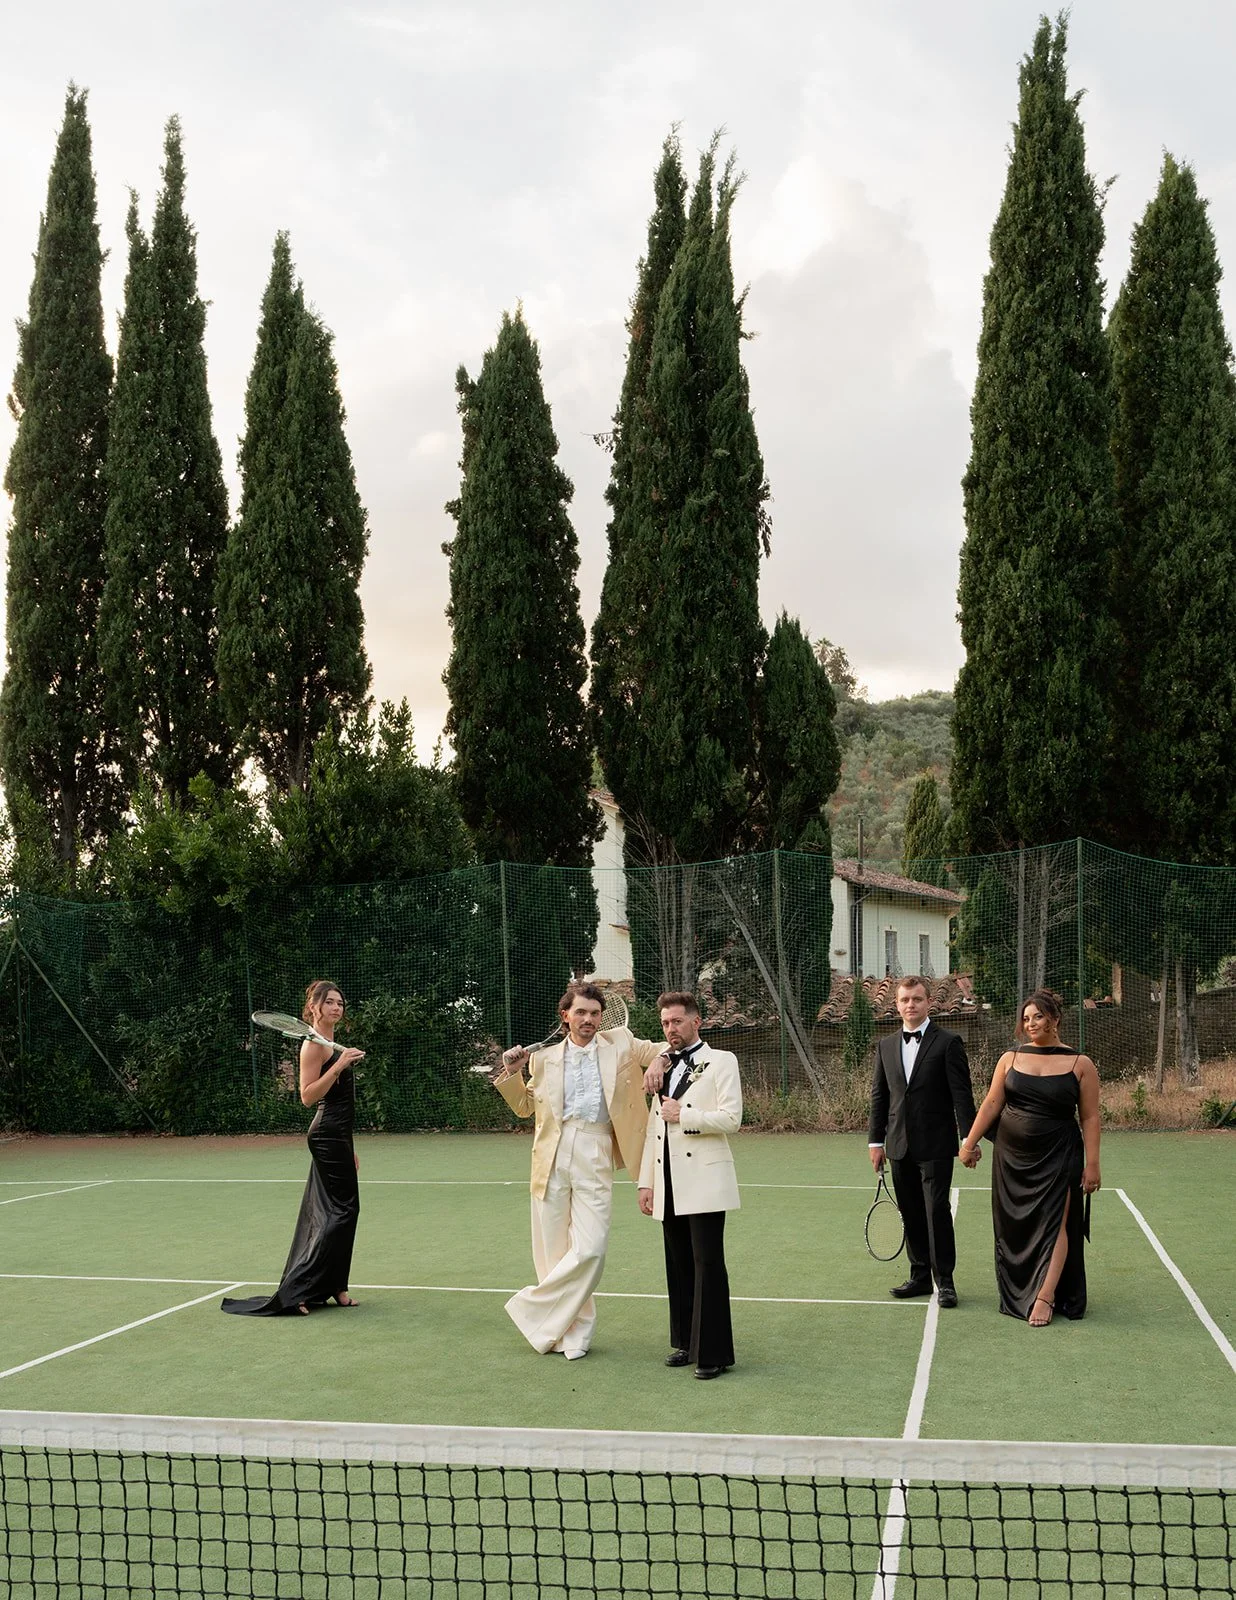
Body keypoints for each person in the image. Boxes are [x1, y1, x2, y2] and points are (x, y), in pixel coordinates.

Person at [494, 982, 666, 1359]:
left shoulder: (621, 1042)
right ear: (566, 1016)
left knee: (591, 1249)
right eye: (581, 1012)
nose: (589, 1019)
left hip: (597, 1147)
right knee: (553, 1253)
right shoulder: (542, 1059)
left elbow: (667, 1047)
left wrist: (659, 1061)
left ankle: (531, 1309)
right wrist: (512, 1073)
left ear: (602, 1017)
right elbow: (525, 1108)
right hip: (551, 1154)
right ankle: (566, 1333)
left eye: (594, 1013)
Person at [222, 981, 365, 1317]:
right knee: (342, 1212)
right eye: (329, 1002)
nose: (336, 1008)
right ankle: (299, 1289)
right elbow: (307, 1096)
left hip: (338, 1137)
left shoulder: (329, 1044)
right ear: (314, 1007)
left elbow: (343, 1103)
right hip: (326, 1135)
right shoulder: (313, 1046)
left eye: (340, 1003)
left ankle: (336, 1287)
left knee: (340, 1212)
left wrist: (350, 1146)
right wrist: (340, 1065)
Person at [959, 988, 1100, 1325]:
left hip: (1059, 1155)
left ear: (1055, 1019)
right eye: (1026, 1018)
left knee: (1056, 1223)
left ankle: (1045, 1296)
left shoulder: (1080, 1064)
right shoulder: (1009, 1059)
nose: (1031, 1023)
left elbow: (1090, 1117)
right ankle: (1022, 1288)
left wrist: (1093, 1164)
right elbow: (992, 1104)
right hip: (1011, 1159)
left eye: (1038, 1016)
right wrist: (969, 1143)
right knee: (1015, 1226)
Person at [638, 991, 742, 1380]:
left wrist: (685, 1114)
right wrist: (646, 1183)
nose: (671, 1028)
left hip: (705, 1179)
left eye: (677, 1021)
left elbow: (732, 1118)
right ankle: (685, 1342)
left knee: (707, 1263)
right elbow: (653, 1130)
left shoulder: (722, 1061)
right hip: (667, 1180)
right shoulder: (661, 1066)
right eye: (665, 1023)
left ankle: (714, 1353)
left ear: (696, 1022)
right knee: (678, 1262)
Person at [867, 974, 978, 1308]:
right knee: (911, 1212)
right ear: (897, 1004)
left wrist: (969, 1139)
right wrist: (875, 1143)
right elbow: (879, 1097)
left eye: (916, 999)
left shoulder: (948, 1043)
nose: (910, 1005)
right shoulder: (886, 1046)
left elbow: (962, 1096)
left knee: (936, 1211)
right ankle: (919, 1277)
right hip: (898, 1145)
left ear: (929, 1002)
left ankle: (945, 1282)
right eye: (904, 1000)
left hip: (937, 1146)